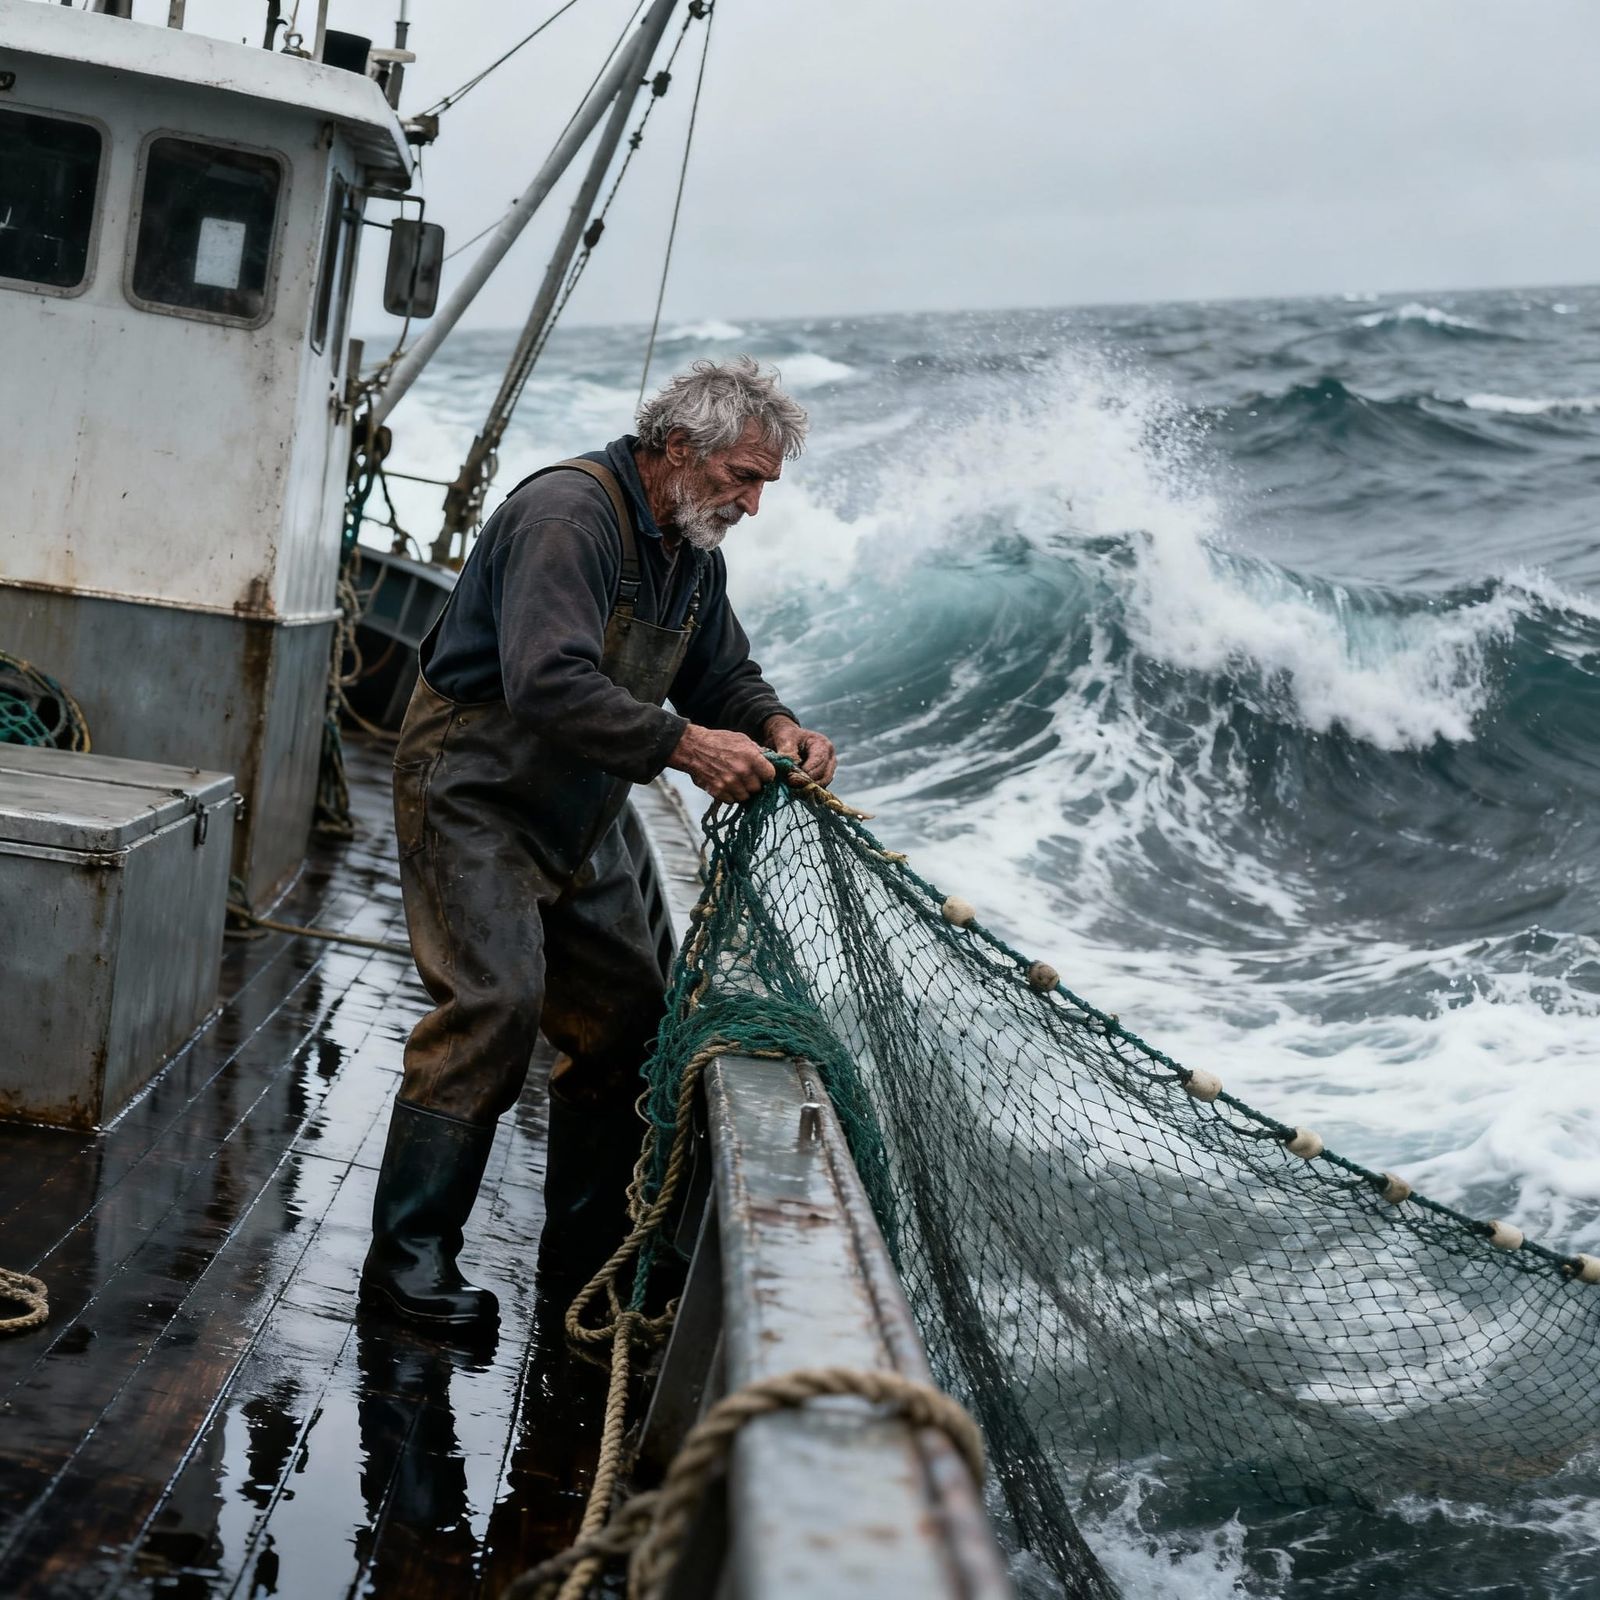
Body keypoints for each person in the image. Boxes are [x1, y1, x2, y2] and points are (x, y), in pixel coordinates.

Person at [360, 357, 836, 1335]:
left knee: (628, 1022)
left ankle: (582, 1268)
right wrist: (685, 747)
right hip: (474, 792)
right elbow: (546, 682)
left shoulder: (688, 552)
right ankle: (406, 1265)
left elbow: (720, 674)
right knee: (494, 1005)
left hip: (580, 808)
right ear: (675, 449)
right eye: (743, 478)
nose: (752, 503)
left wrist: (775, 723)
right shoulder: (569, 518)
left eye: (761, 485)